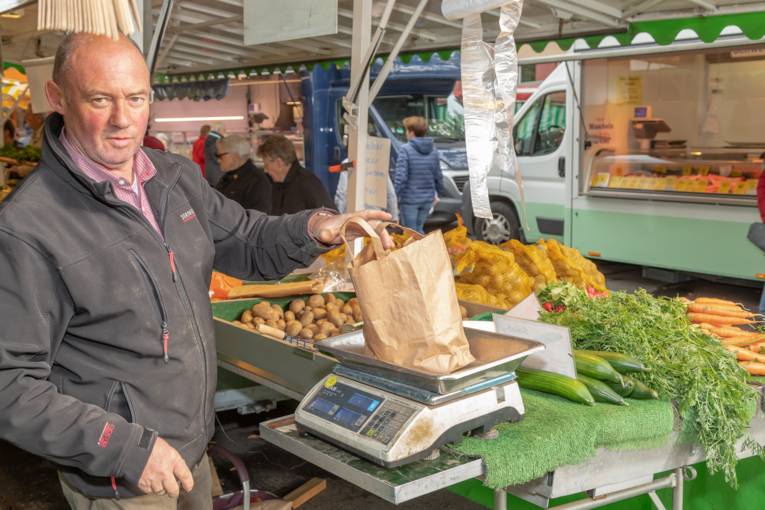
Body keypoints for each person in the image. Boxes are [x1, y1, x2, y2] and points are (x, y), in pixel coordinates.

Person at [0, 33, 391, 510]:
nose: (123, 120)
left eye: (136, 98)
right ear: (58, 99)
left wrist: (317, 227)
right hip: (122, 482)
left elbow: (246, 238)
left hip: (191, 452)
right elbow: (9, 384)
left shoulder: (172, 177)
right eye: (100, 99)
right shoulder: (27, 226)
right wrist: (126, 449)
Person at [256, 134, 335, 215]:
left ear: (279, 163)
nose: (266, 170)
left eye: (266, 165)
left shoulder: (308, 183)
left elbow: (329, 216)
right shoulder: (274, 185)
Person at [393, 116, 444, 233]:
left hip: (409, 199)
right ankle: (423, 250)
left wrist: (396, 196)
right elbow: (438, 176)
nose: (406, 133)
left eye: (407, 130)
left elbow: (401, 177)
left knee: (410, 233)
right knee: (419, 229)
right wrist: (438, 194)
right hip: (427, 200)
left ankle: (416, 251)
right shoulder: (433, 150)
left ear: (411, 132)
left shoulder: (405, 149)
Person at [215, 134, 271, 212]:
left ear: (234, 156)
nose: (218, 160)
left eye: (220, 156)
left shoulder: (257, 181)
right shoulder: (229, 175)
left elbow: (259, 218)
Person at [334, 167, 399, 222]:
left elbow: (342, 194)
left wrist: (339, 217)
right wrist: (393, 217)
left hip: (353, 219)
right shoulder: (379, 163)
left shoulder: (347, 163)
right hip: (376, 218)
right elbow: (390, 195)